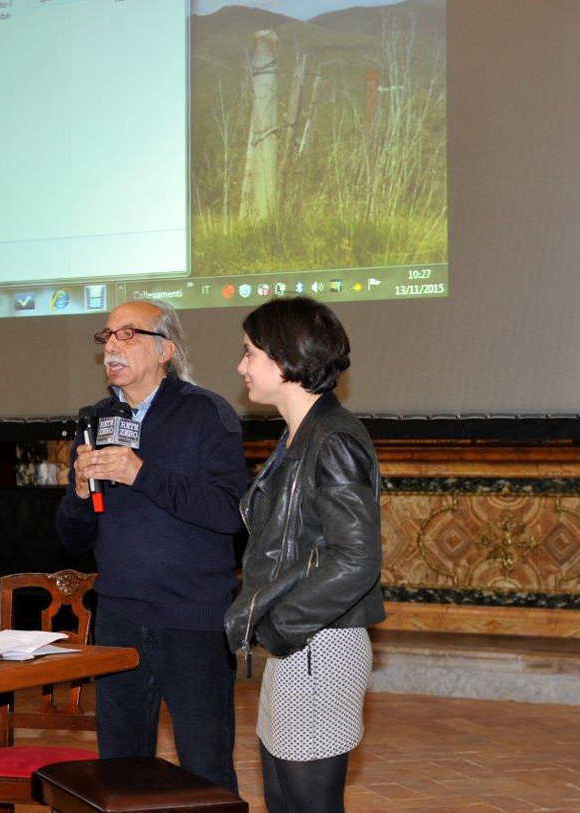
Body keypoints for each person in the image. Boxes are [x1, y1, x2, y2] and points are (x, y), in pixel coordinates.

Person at [56, 300, 246, 792]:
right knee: (121, 775)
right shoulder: (96, 420)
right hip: (119, 621)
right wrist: (79, 494)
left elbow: (228, 512)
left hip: (193, 622)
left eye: (127, 334)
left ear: (165, 350)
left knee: (205, 773)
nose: (111, 347)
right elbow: (72, 538)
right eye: (106, 336)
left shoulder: (207, 413)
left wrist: (141, 473)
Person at [224, 297, 385, 813]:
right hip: (300, 646)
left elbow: (356, 559)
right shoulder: (301, 433)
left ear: (285, 358)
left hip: (318, 645)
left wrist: (279, 627)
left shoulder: (332, 439)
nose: (241, 366)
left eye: (250, 353)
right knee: (284, 801)